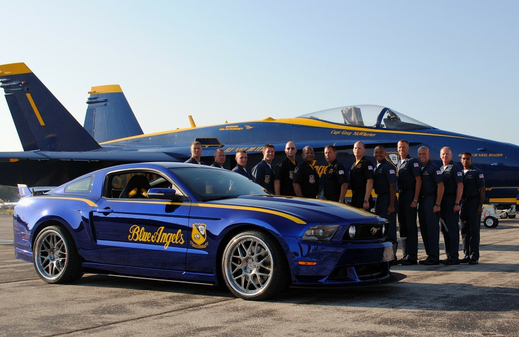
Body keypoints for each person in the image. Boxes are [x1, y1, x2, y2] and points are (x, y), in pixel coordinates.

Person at [417, 146, 444, 265]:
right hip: (422, 201)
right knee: (424, 229)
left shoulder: (434, 168)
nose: (422, 156)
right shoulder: (419, 168)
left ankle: (434, 257)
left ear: (429, 154)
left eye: (424, 154)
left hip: (431, 200)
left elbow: (441, 186)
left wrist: (437, 203)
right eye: (419, 154)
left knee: (432, 230)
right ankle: (429, 255)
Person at [396, 140, 422, 265]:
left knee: (411, 227)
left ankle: (412, 256)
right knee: (403, 227)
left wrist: (415, 199)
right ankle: (405, 254)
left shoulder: (413, 162)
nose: (401, 149)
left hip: (410, 195)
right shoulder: (399, 163)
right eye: (400, 147)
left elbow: (418, 180)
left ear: (408, 148)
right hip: (401, 196)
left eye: (404, 147)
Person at [439, 146, 464, 265]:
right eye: (443, 154)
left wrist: (457, 203)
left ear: (451, 155)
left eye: (447, 154)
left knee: (452, 229)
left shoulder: (455, 168)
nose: (445, 156)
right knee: (445, 230)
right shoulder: (441, 169)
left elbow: (460, 186)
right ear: (440, 156)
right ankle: (448, 255)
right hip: (442, 202)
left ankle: (454, 256)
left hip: (451, 200)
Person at [373, 145, 397, 261]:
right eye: (377, 152)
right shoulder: (377, 167)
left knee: (390, 229)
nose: (379, 154)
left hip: (388, 199)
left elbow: (392, 186)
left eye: (381, 152)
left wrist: (391, 205)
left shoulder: (388, 166)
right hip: (380, 199)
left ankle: (393, 256)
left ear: (385, 153)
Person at [460, 152, 485, 265]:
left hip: (474, 203)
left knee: (474, 231)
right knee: (464, 231)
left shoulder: (477, 172)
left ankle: (474, 256)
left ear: (471, 160)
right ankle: (466, 254)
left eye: (468, 159)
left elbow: (482, 190)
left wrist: (480, 206)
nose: (465, 161)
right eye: (463, 159)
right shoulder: (460, 173)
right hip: (463, 204)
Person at [350, 141, 374, 209]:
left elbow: (370, 181)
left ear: (364, 150)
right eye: (355, 148)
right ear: (353, 150)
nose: (357, 150)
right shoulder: (354, 165)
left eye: (359, 148)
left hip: (363, 197)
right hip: (355, 197)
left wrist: (366, 200)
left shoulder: (366, 163)